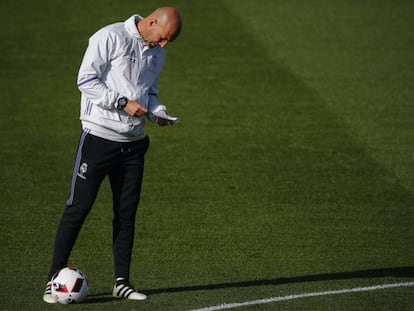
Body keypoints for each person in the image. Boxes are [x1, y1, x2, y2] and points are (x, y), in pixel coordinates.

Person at [42, 7, 182, 303]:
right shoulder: (110, 37)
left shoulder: (157, 53)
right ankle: (54, 278)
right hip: (98, 139)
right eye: (164, 37)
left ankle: (122, 282)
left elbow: (149, 92)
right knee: (78, 208)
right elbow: (86, 80)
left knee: (126, 214)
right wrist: (122, 102)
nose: (164, 45)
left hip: (134, 145)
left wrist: (158, 112)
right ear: (153, 21)